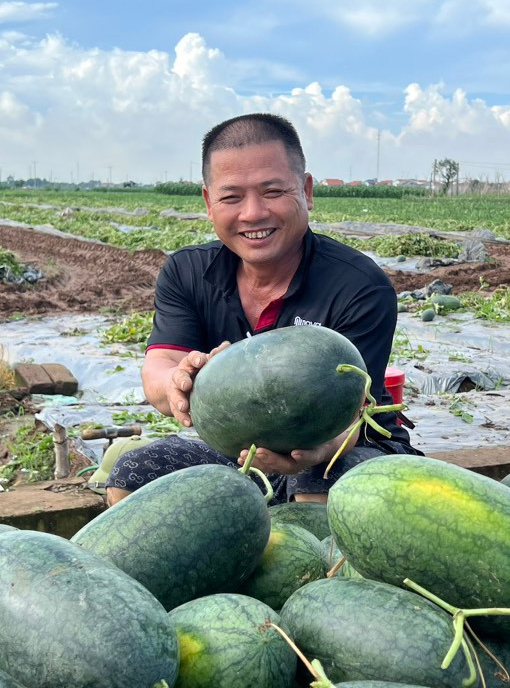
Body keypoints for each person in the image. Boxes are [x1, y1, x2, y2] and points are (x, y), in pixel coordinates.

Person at [106, 112, 421, 506]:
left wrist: (320, 448)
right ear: (208, 201)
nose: (252, 213)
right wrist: (176, 384)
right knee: (135, 474)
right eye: (231, 196)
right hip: (240, 453)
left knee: (317, 482)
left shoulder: (358, 285)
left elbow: (354, 414)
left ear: (306, 191)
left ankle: (317, 569)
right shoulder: (187, 272)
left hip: (349, 449)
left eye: (272, 191)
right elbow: (161, 364)